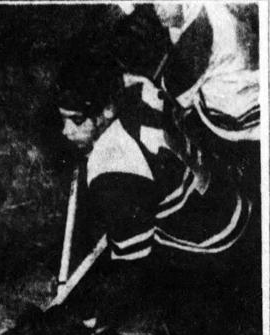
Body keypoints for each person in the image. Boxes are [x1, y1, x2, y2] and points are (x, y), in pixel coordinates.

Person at [0, 40, 256, 335]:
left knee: (98, 311)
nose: (65, 131)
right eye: (62, 118)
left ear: (105, 110)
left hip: (209, 245)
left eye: (76, 120)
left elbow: (128, 277)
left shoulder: (115, 172)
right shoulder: (138, 85)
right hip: (230, 205)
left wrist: (55, 322)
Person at [111, 2, 259, 195]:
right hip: (239, 87)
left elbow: (173, 89)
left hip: (238, 120)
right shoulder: (200, 11)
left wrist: (135, 78)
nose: (157, 9)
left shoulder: (197, 39)